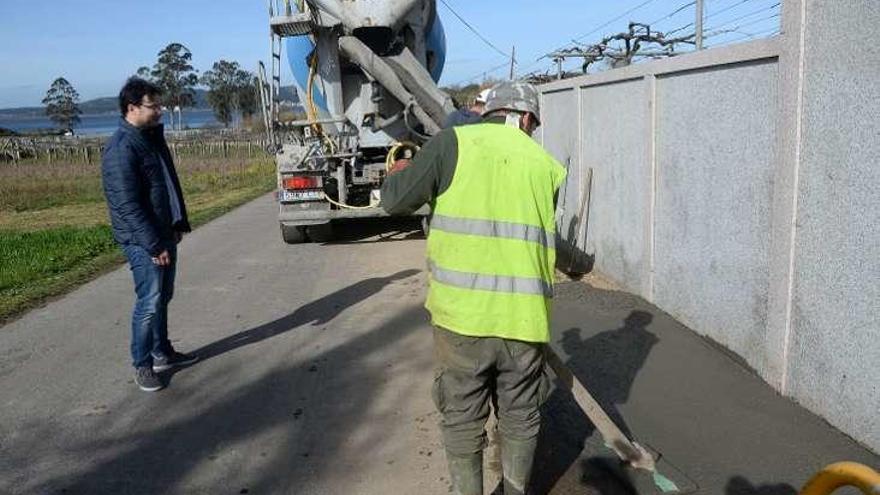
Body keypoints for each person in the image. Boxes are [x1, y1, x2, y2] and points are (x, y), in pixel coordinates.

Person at [381, 81, 567, 495]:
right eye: (534, 124)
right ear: (526, 118)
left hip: (463, 319)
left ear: (489, 112)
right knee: (520, 413)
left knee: (462, 414)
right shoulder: (548, 166)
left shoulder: (452, 144)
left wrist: (398, 174)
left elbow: (394, 202)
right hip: (524, 321)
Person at [101, 77, 198, 392]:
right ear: (132, 108)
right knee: (150, 300)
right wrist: (154, 244)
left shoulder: (150, 138)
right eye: (152, 105)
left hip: (162, 231)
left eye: (158, 104)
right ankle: (142, 364)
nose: (159, 110)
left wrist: (175, 224)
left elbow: (166, 187)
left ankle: (162, 352)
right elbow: (128, 206)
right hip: (143, 241)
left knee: (163, 297)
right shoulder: (121, 148)